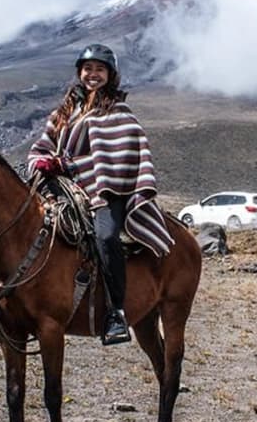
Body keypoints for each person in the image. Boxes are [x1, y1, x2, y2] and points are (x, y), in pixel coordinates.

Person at [27, 44, 173, 346]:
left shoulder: (118, 111)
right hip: (66, 190)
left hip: (108, 192)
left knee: (106, 236)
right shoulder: (65, 111)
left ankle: (116, 313)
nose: (93, 75)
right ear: (80, 72)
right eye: (88, 69)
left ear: (110, 75)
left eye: (100, 69)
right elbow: (42, 147)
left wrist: (71, 164)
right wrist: (43, 162)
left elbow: (125, 154)